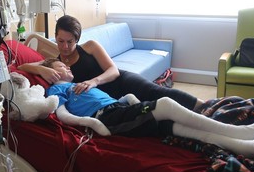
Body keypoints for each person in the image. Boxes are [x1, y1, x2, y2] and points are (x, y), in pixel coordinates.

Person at [42, 58, 254, 157]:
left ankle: (242, 145)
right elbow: (62, 114)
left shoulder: (77, 83)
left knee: (177, 127)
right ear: (53, 73)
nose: (67, 67)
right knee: (166, 104)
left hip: (117, 110)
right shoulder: (58, 90)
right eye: (61, 66)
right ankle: (236, 131)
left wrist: (130, 99)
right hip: (107, 118)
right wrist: (92, 123)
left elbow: (113, 99)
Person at [18, 15, 204, 111]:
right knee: (153, 111)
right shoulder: (56, 63)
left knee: (158, 93)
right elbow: (22, 67)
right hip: (108, 101)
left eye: (70, 41)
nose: (65, 46)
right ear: (56, 38)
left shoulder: (90, 47)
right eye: (60, 41)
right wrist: (40, 70)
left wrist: (93, 81)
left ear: (77, 39)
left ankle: (204, 106)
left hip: (122, 81)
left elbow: (113, 70)